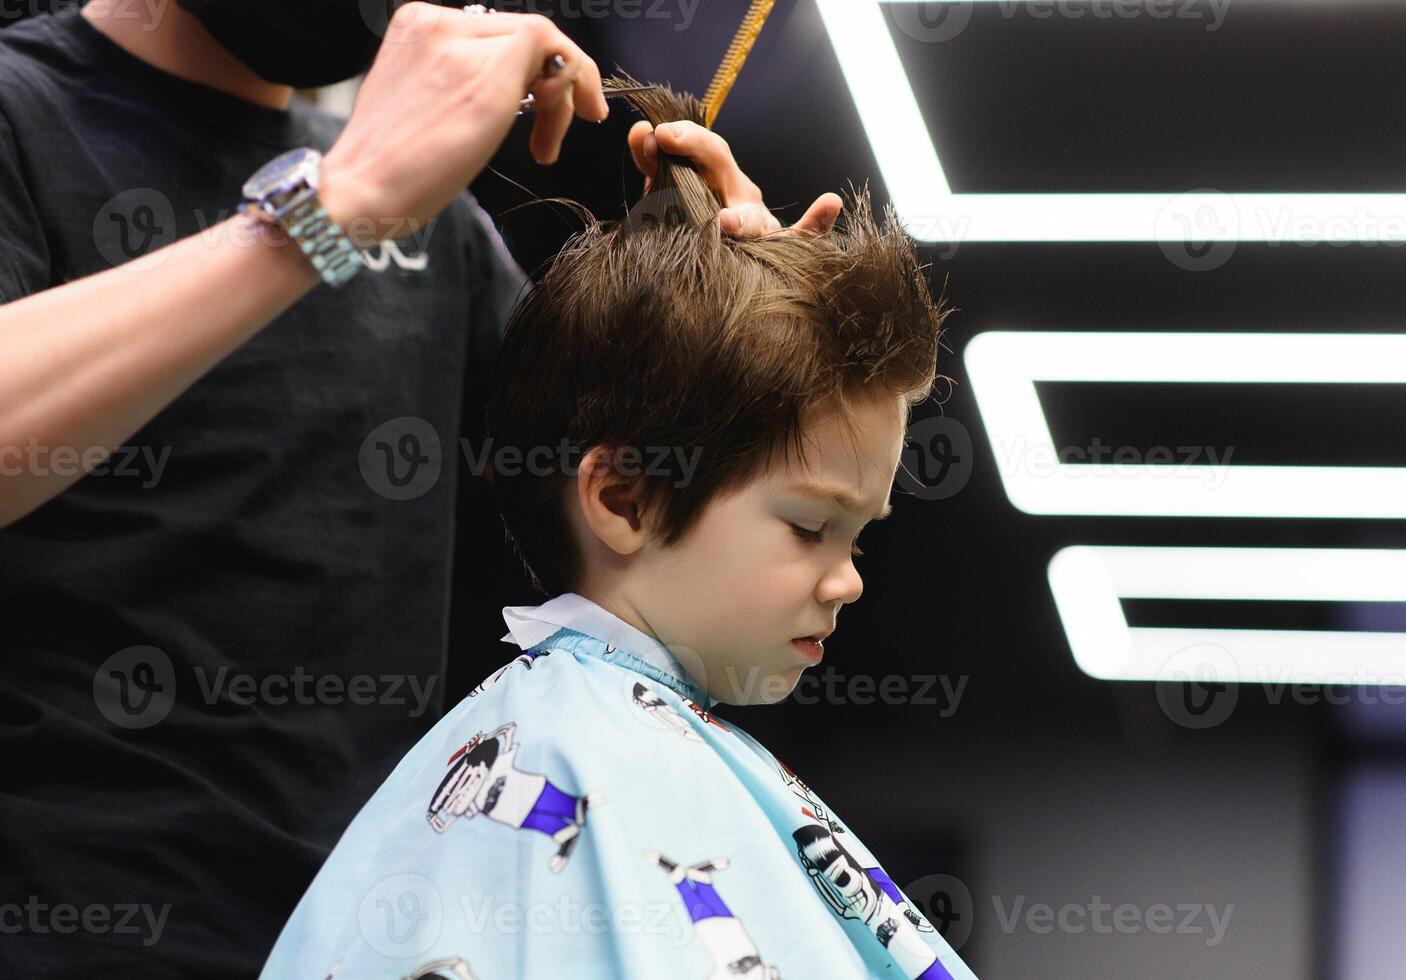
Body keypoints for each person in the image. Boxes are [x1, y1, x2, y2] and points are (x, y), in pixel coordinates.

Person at [0, 2, 841, 974]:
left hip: (362, 938)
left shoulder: (432, 221)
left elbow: (639, 511)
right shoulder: (27, 114)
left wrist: (743, 333)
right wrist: (339, 203)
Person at [260, 82, 972, 980]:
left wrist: (743, 311)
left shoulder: (445, 253)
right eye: (808, 527)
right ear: (626, 502)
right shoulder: (567, 758)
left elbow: (583, 372)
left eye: (857, 536)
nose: (850, 580)